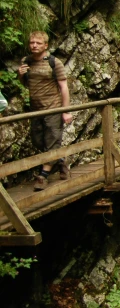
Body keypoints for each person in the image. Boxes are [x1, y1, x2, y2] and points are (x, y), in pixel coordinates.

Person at [17, 31, 73, 191]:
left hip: (53, 108)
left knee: (52, 140)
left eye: (38, 43)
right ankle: (61, 160)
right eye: (32, 43)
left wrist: (66, 110)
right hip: (35, 110)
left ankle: (43, 176)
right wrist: (21, 75)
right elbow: (27, 84)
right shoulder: (26, 62)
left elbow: (63, 87)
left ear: (46, 45)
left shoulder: (54, 63)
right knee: (38, 141)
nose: (34, 45)